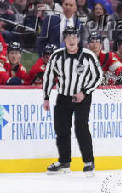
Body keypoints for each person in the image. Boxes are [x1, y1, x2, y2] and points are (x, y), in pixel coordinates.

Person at [42, 26, 103, 175]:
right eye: (68, 36)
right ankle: (64, 162)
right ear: (64, 39)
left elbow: (98, 76)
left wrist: (84, 92)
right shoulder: (56, 56)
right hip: (63, 97)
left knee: (81, 128)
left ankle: (89, 162)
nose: (71, 39)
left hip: (82, 97)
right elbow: (48, 76)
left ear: (78, 39)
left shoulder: (88, 55)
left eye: (74, 36)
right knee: (61, 129)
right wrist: (46, 97)